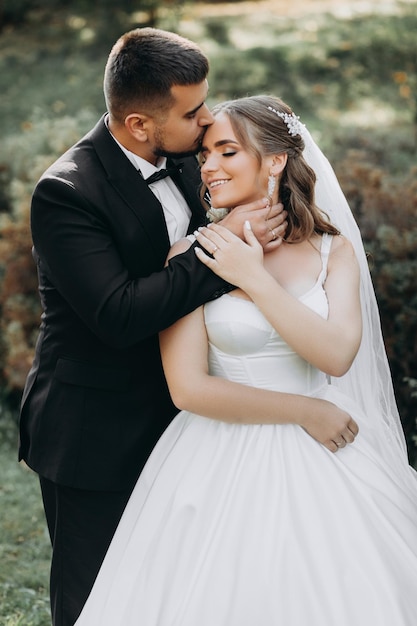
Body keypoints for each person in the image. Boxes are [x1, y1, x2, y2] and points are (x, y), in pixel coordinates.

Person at [18, 28, 335, 626]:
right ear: (140, 124)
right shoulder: (66, 193)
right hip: (96, 428)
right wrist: (225, 255)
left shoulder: (191, 155)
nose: (208, 119)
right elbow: (118, 314)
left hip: (192, 424)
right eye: (193, 111)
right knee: (97, 603)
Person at [73, 95, 417, 626]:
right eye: (206, 153)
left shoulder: (333, 251)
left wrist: (252, 275)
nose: (207, 167)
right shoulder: (192, 255)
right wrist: (305, 411)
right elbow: (188, 388)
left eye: (227, 152)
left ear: (275, 160)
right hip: (221, 451)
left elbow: (336, 354)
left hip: (331, 454)